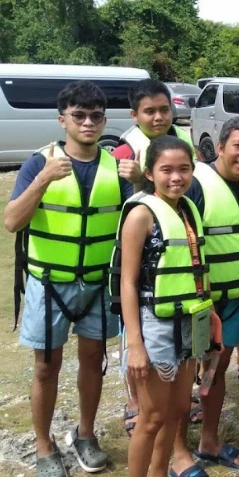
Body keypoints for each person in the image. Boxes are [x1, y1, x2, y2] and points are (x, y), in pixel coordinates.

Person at [5, 81, 132, 477]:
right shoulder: (37, 163)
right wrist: (43, 179)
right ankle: (44, 448)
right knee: (46, 367)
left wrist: (142, 180)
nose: (88, 122)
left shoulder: (117, 167)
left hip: (98, 281)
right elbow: (11, 222)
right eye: (79, 115)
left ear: (105, 120)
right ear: (63, 120)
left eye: (96, 115)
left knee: (94, 362)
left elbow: (143, 216)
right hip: (50, 282)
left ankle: (86, 434)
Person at [112, 135, 212, 477]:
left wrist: (209, 317)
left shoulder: (189, 210)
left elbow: (198, 269)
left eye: (184, 169)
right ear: (150, 173)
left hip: (188, 321)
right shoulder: (141, 214)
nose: (176, 177)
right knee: (152, 416)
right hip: (153, 325)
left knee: (178, 409)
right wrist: (135, 346)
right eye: (166, 169)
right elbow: (127, 282)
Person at [186, 116, 239, 471]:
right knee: (182, 378)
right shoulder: (195, 184)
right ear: (219, 147)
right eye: (238, 146)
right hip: (196, 303)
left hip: (233, 300)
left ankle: (209, 440)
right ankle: (175, 452)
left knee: (216, 373)